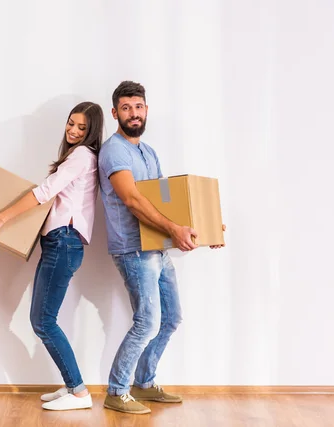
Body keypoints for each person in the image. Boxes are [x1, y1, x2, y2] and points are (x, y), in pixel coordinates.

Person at [98, 81, 226, 414]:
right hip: (133, 250)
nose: (133, 113)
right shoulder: (114, 150)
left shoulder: (148, 152)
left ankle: (144, 382)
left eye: (138, 106)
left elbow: (164, 202)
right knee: (147, 322)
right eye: (126, 108)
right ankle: (117, 390)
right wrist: (173, 229)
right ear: (115, 113)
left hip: (156, 249)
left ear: (146, 110)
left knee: (171, 318)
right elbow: (133, 200)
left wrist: (206, 229)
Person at [0, 101, 104, 411]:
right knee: (43, 319)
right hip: (58, 242)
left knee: (43, 321)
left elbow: (43, 194)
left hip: (64, 243)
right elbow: (49, 211)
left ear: (92, 132)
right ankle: (72, 386)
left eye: (81, 127)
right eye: (70, 123)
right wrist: (3, 233)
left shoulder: (82, 156)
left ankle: (79, 392)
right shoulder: (77, 158)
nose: (73, 130)